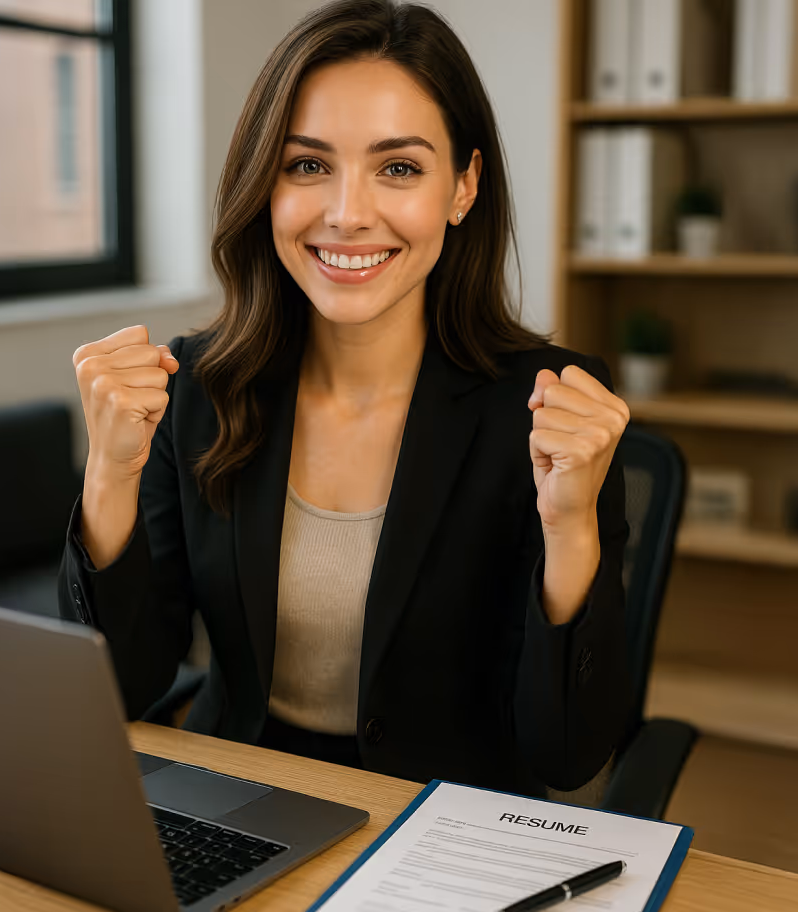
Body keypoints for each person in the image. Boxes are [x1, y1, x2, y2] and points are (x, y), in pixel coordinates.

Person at [59, 0, 631, 794]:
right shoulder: (193, 389)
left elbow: (566, 756)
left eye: (399, 167)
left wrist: (571, 526)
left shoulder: (545, 411)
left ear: (462, 187)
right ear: (266, 183)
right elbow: (117, 690)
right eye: (307, 165)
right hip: (240, 802)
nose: (349, 214)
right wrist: (108, 477)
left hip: (443, 828)